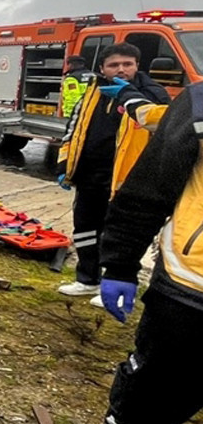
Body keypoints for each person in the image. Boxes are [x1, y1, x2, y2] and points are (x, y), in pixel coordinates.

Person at [86, 81, 203, 424]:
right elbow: (149, 190)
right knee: (152, 400)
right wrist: (119, 263)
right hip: (191, 292)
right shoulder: (201, 101)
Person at [55, 43, 170, 301]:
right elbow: (73, 130)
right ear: (102, 68)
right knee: (84, 229)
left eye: (127, 64)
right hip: (90, 175)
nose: (121, 69)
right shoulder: (93, 92)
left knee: (118, 234)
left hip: (127, 179)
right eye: (114, 65)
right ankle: (87, 279)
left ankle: (115, 285)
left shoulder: (152, 94)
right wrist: (64, 166)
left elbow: (165, 137)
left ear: (137, 66)